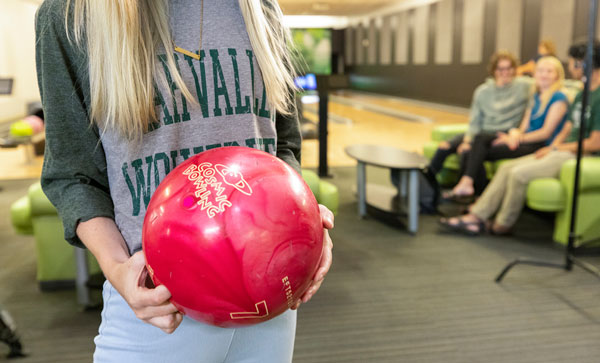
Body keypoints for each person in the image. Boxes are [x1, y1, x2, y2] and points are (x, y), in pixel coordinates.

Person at [35, 0, 334, 362]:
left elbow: (282, 145)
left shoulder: (259, 8)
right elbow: (73, 175)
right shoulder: (69, 15)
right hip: (157, 308)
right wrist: (117, 269)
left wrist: (305, 230)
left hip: (268, 305)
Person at [439, 41, 600, 236]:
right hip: (561, 150)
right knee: (507, 168)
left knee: (518, 174)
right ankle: (477, 217)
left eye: (573, 62)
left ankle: (502, 225)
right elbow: (568, 127)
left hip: (579, 155)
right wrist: (553, 147)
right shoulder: (583, 93)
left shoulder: (596, 96)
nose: (570, 67)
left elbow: (594, 143)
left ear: (582, 65)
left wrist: (556, 149)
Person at [448, 56, 569, 199]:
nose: (544, 75)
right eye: (541, 71)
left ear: (557, 75)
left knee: (476, 148)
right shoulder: (536, 95)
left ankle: (473, 190)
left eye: (549, 71)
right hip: (524, 140)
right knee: (475, 146)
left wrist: (519, 139)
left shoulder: (559, 98)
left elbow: (545, 133)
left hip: (538, 145)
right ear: (535, 74)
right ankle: (474, 192)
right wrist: (513, 135)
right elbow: (524, 125)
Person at [429, 51, 531, 197]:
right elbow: (475, 121)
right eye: (501, 69)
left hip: (501, 133)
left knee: (467, 151)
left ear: (515, 69)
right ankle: (426, 183)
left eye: (509, 68)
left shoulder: (524, 87)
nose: (505, 72)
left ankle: (465, 195)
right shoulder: (483, 91)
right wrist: (467, 140)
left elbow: (547, 84)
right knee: (444, 146)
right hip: (481, 132)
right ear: (494, 71)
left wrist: (517, 131)